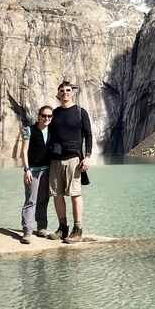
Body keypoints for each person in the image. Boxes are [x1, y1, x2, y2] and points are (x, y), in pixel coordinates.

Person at [46, 80, 92, 244]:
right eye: (62, 90)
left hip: (74, 158)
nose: (65, 92)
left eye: (68, 90)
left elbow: (88, 135)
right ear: (58, 94)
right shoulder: (55, 113)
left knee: (75, 193)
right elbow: (44, 128)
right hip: (56, 158)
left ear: (72, 93)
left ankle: (77, 229)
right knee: (57, 194)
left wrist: (87, 156)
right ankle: (62, 227)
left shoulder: (80, 112)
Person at [20, 105, 53, 243]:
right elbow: (24, 151)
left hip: (47, 169)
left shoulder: (52, 131)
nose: (46, 118)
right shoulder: (30, 130)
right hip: (32, 170)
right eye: (44, 115)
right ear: (39, 116)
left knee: (43, 199)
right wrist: (26, 169)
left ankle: (41, 227)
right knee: (30, 200)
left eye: (49, 116)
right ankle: (27, 231)